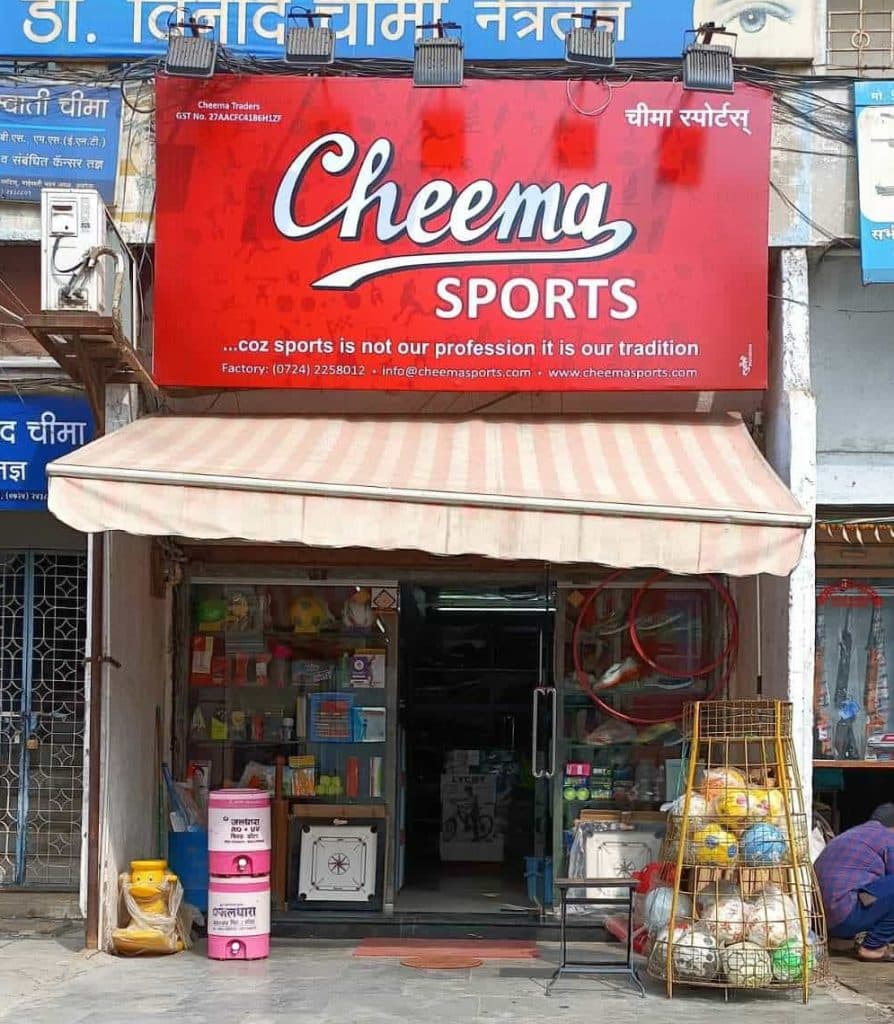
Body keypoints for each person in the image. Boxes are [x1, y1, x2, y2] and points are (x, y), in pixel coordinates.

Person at [814, 803, 894, 961]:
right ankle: (873, 947)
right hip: (845, 915)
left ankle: (842, 942)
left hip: (822, 922)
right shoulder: (888, 838)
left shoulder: (852, 834)